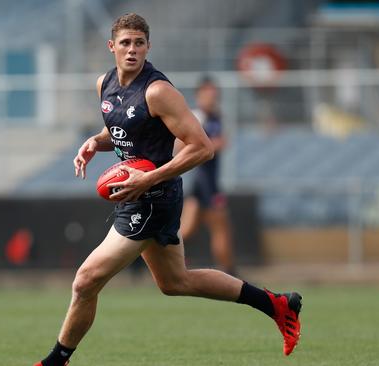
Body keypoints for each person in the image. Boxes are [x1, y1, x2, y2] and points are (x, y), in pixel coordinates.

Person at [34, 14, 302, 366]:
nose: (132, 50)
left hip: (153, 198)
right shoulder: (105, 84)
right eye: (125, 43)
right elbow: (122, 130)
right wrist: (94, 142)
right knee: (176, 282)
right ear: (111, 46)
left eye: (139, 43)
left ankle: (55, 362)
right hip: (140, 194)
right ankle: (277, 304)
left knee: (85, 281)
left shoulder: (158, 91)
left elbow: (202, 147)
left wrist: (148, 179)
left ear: (148, 47)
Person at [178, 76, 236, 276]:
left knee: (187, 230)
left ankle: (161, 260)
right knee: (220, 227)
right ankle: (228, 272)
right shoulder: (197, 117)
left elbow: (223, 142)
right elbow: (180, 145)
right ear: (199, 95)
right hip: (204, 182)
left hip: (206, 182)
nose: (212, 98)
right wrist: (210, 145)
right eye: (208, 94)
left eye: (214, 94)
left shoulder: (216, 117)